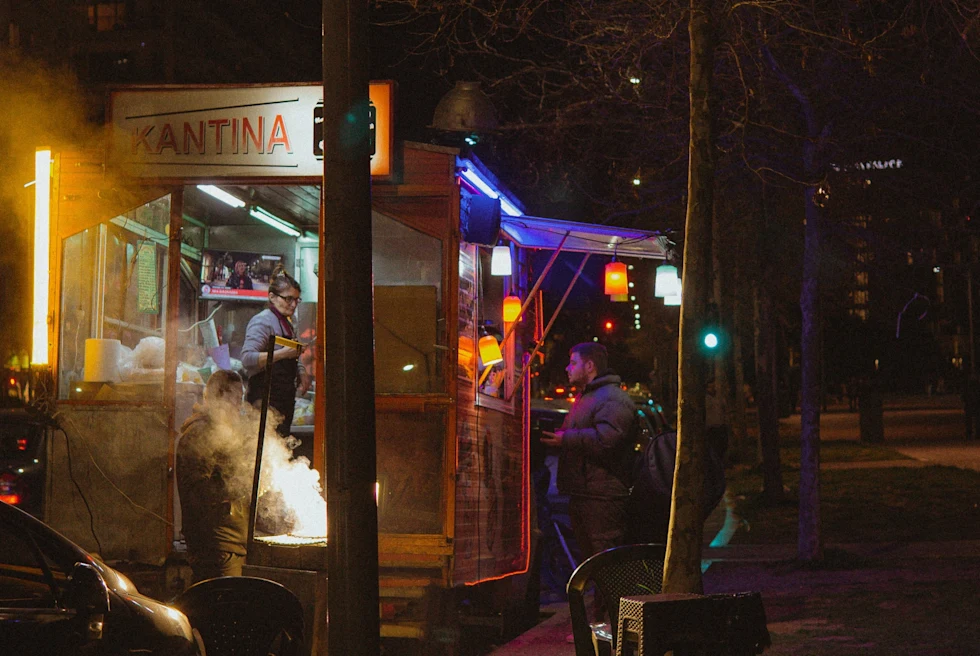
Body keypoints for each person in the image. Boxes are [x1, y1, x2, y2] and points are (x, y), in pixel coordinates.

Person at [540, 343, 636, 560]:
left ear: (590, 365)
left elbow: (608, 440)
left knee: (605, 560)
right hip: (586, 492)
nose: (568, 368)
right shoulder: (588, 397)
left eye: (573, 363)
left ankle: (610, 595)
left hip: (602, 496)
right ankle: (601, 594)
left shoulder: (610, 398)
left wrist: (566, 439)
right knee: (594, 562)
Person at [177, 370, 250, 582]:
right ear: (218, 397)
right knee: (221, 607)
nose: (239, 406)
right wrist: (241, 485)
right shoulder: (198, 434)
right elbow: (198, 492)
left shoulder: (222, 432)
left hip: (232, 544)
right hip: (216, 548)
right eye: (236, 399)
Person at [240, 265, 311, 448]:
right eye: (288, 299)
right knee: (263, 451)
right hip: (263, 401)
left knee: (281, 449)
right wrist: (282, 354)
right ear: (272, 297)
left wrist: (301, 371)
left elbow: (292, 352)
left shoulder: (288, 322)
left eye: (296, 300)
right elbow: (247, 358)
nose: (293, 305)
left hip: (284, 401)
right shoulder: (263, 321)